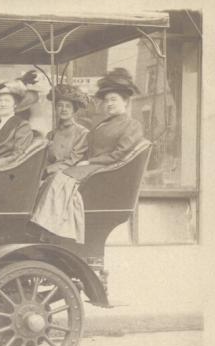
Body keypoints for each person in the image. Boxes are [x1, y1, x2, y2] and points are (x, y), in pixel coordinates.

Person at [31, 68, 145, 243]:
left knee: (61, 179)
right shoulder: (103, 124)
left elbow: (119, 155)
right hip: (92, 166)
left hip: (106, 170)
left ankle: (50, 228)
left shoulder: (132, 125)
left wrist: (89, 162)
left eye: (114, 100)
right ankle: (47, 226)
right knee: (56, 179)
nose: (109, 104)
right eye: (106, 101)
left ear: (126, 102)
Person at [44, 84, 89, 176]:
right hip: (50, 175)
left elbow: (73, 160)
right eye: (60, 105)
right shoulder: (51, 135)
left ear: (74, 110)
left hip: (71, 176)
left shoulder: (82, 133)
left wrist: (48, 170)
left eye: (68, 106)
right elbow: (46, 159)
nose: (64, 109)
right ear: (56, 109)